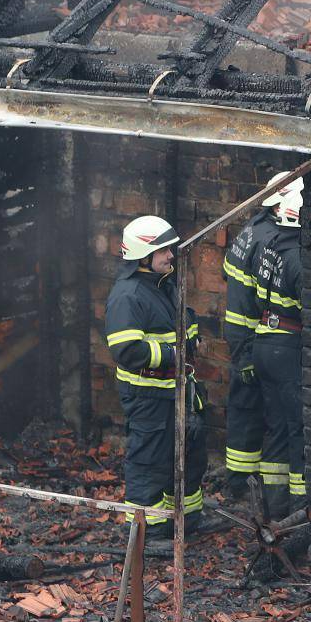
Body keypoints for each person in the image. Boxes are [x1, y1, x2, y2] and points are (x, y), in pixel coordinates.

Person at [103, 215, 207, 545]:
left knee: (189, 453)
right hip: (148, 395)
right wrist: (177, 356)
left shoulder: (165, 285)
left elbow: (181, 326)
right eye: (163, 251)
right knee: (149, 461)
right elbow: (128, 350)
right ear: (143, 256)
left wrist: (192, 342)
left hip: (176, 391)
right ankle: (148, 531)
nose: (171, 256)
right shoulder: (129, 296)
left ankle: (186, 520)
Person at [248, 174, 311, 520]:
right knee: (298, 429)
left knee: (275, 428)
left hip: (264, 343)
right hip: (287, 348)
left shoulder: (271, 247)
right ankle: (298, 511)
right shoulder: (300, 260)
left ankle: (273, 509)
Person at [220, 204, 273, 502]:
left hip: (238, 331)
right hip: (252, 336)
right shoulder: (268, 238)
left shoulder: (249, 230)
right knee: (250, 407)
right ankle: (242, 483)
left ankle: (239, 478)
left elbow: (226, 273)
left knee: (243, 407)